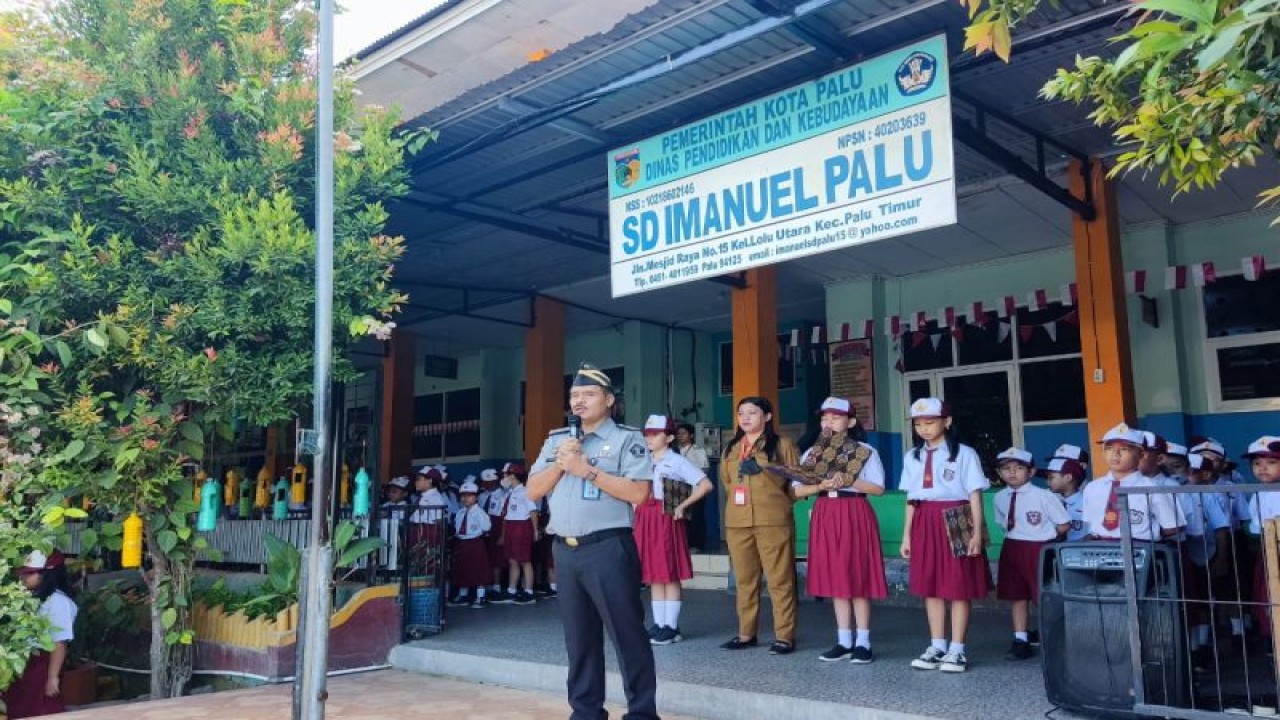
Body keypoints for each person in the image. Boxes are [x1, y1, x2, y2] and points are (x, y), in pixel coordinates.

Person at [527, 363, 658, 720]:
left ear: (609, 400)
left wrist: (587, 469)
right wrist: (562, 463)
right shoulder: (557, 439)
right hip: (565, 551)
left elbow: (639, 494)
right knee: (579, 640)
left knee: (627, 635)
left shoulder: (627, 438)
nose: (579, 401)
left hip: (608, 549)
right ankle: (586, 711)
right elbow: (533, 490)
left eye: (588, 394)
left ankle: (642, 713)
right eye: (574, 395)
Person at [791, 397, 887, 665]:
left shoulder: (864, 450)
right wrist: (819, 486)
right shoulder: (812, 453)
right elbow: (797, 491)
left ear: (851, 422)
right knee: (836, 577)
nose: (828, 422)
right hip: (825, 512)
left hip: (854, 511)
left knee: (858, 575)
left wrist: (851, 480)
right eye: (824, 418)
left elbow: (878, 489)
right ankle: (844, 641)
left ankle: (863, 642)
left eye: (834, 417)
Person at [900, 397, 991, 674]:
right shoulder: (912, 457)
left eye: (930, 422)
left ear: (947, 422)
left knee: (958, 585)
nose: (924, 429)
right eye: (919, 424)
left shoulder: (965, 454)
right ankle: (937, 645)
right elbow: (911, 499)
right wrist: (907, 536)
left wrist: (976, 532)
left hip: (957, 517)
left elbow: (974, 495)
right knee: (931, 585)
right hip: (924, 520)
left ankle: (957, 649)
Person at [719, 396, 801, 655]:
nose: (745, 418)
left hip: (772, 521)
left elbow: (796, 483)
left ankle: (785, 637)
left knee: (780, 580)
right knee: (745, 581)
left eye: (752, 413)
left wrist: (773, 495)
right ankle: (746, 634)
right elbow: (727, 482)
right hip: (737, 522)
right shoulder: (731, 448)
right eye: (741, 413)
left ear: (767, 417)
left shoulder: (783, 445)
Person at [634, 414, 713, 646]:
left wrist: (682, 506)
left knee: (669, 573)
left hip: (666, 518)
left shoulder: (676, 461)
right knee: (654, 575)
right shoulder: (642, 460)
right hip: (645, 517)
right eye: (647, 434)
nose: (649, 438)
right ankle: (659, 625)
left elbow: (705, 485)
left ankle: (671, 626)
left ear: (668, 437)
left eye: (655, 434)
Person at [992, 448, 1069, 661]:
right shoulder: (999, 497)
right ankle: (1021, 640)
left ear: (1031, 472)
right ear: (1000, 473)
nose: (1012, 473)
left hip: (1038, 548)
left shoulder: (1044, 496)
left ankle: (1053, 639)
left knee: (1041, 596)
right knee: (1017, 596)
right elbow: (1002, 523)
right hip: (1012, 546)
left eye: (1018, 468)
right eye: (1006, 468)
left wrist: (1046, 538)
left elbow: (1063, 525)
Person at [1, 550, 77, 719]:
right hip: (25, 664)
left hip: (42, 664)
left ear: (46, 574)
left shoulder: (59, 602)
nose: (23, 578)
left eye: (28, 573)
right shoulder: (31, 598)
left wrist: (52, 677)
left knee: (42, 710)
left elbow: (59, 643)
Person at [1082, 423, 1181, 542]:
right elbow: (1089, 523)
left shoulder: (1152, 487)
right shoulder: (1093, 487)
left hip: (1139, 547)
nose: (1115, 454)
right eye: (1109, 448)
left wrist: (1146, 535)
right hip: (1100, 549)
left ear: (1142, 454)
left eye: (1124, 449)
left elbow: (1173, 526)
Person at [1178, 453, 1231, 669]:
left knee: (1206, 600)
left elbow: (1221, 528)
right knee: (1187, 602)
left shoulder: (1208, 495)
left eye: (1191, 472)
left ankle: (1202, 645)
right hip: (1183, 554)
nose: (1184, 476)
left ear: (1205, 474)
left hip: (1206, 554)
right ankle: (1190, 649)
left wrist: (1222, 557)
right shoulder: (1173, 492)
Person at [1245, 436, 1280, 639]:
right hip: (1267, 555)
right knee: (1268, 601)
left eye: (1272, 462)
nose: (1262, 468)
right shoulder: (1257, 493)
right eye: (1257, 463)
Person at [496, 463, 539, 606]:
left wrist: (535, 531)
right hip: (510, 526)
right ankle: (511, 590)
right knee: (512, 560)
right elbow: (505, 515)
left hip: (522, 526)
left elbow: (533, 512)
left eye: (505, 475)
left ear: (512, 476)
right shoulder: (509, 493)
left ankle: (529, 591)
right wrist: (503, 534)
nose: (503, 478)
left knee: (525, 560)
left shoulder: (526, 492)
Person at [448, 480, 493, 609]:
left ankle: (480, 596)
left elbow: (487, 526)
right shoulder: (460, 513)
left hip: (475, 542)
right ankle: (463, 595)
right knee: (462, 569)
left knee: (478, 570)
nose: (465, 498)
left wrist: (477, 532)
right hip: (462, 542)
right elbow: (457, 528)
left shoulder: (480, 512)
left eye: (469, 495)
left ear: (476, 497)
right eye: (462, 496)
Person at [479, 467, 510, 600]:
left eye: (491, 482)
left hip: (497, 527)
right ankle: (486, 585)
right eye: (486, 482)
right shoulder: (481, 495)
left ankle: (497, 586)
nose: (489, 485)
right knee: (485, 557)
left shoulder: (504, 495)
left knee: (498, 558)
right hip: (482, 528)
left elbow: (504, 516)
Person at [1046, 458, 1087, 542]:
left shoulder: (1087, 504)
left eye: (1051, 478)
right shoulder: (1052, 502)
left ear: (1068, 477)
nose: (1047, 482)